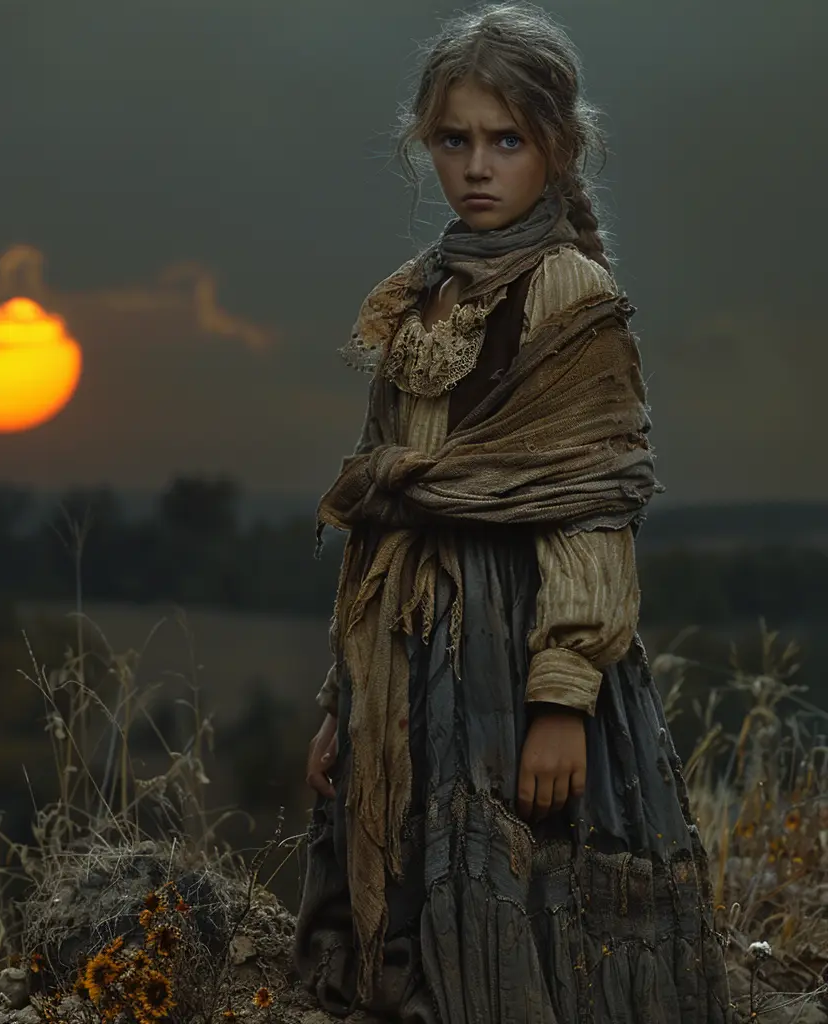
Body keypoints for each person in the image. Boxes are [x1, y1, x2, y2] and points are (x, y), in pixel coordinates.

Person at [293, 3, 737, 1022]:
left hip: (519, 639)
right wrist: (341, 700)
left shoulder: (568, 291)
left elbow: (590, 507)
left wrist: (559, 702)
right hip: (411, 641)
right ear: (425, 147)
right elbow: (378, 511)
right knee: (411, 905)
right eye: (454, 141)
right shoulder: (416, 297)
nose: (477, 166)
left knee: (529, 894)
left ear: (557, 148)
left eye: (507, 140)